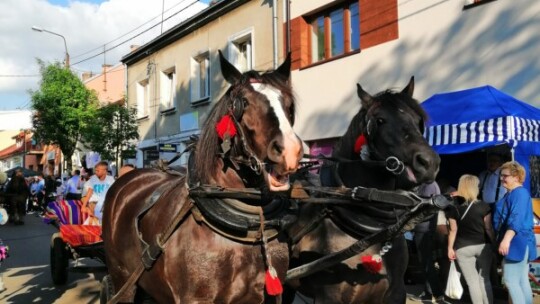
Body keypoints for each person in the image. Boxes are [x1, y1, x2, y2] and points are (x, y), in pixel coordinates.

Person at [493, 161, 536, 304]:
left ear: (516, 177)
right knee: (522, 281)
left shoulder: (519, 194)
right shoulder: (514, 194)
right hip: (519, 241)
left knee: (511, 281)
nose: (502, 178)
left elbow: (515, 219)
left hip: (516, 242)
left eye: (505, 176)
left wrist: (506, 240)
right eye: (501, 176)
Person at [447, 174, 495, 304]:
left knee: (472, 282)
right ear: (476, 187)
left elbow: (453, 230)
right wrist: (494, 243)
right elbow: (488, 228)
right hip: (483, 245)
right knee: (484, 279)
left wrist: (450, 248)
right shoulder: (484, 206)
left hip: (462, 248)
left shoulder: (454, 208)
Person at [408, 181, 450, 304]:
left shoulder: (429, 185)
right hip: (422, 228)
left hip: (424, 228)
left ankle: (436, 293)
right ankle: (429, 292)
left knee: (426, 262)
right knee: (426, 262)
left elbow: (429, 207)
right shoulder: (424, 184)